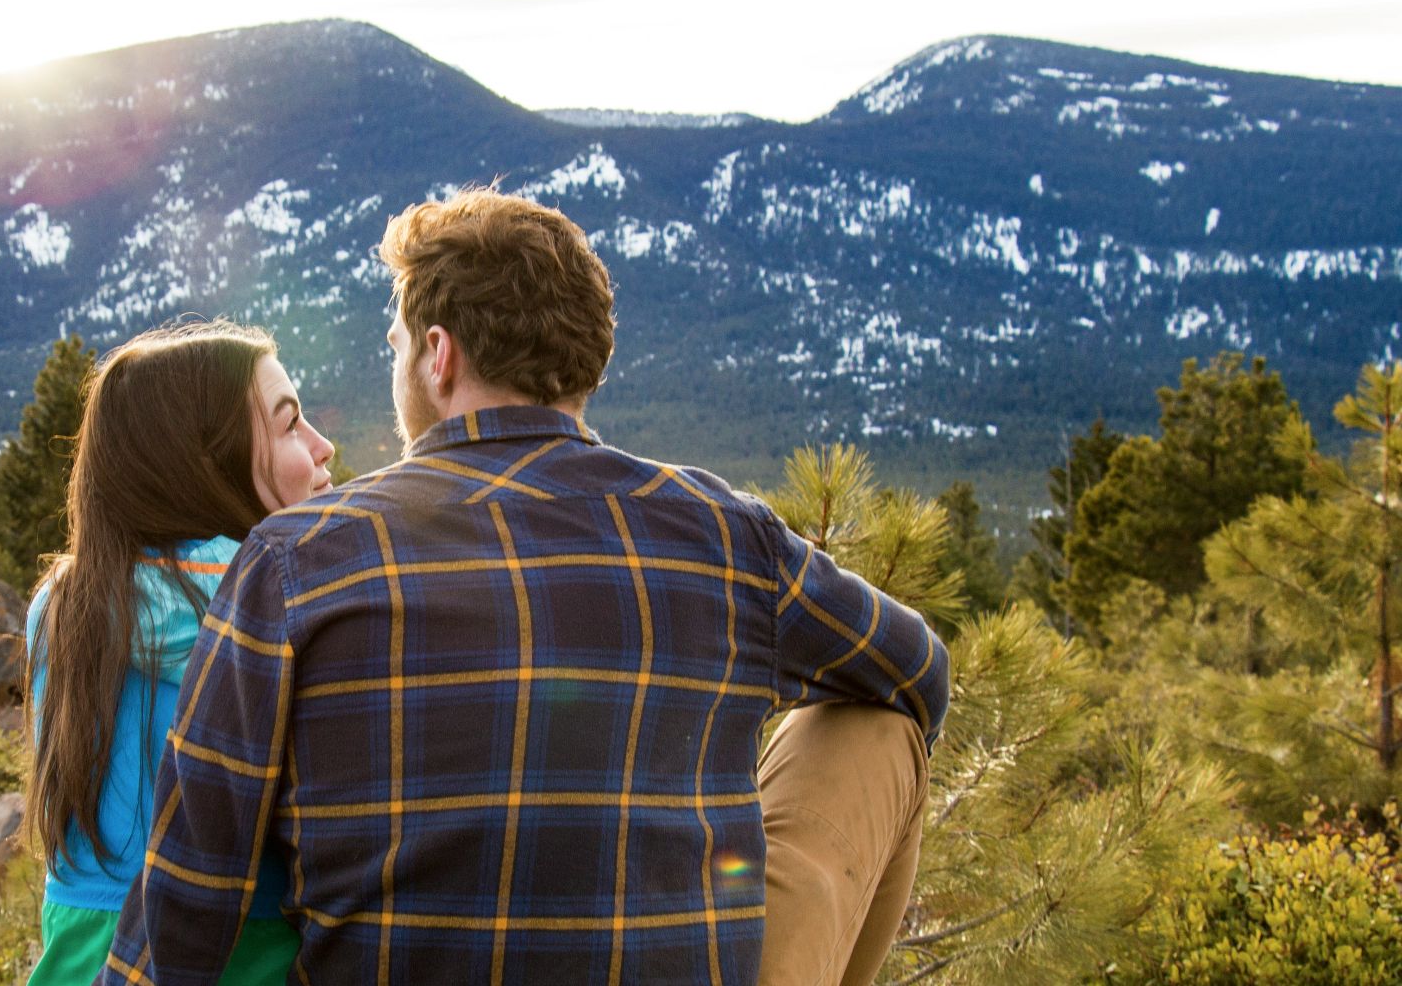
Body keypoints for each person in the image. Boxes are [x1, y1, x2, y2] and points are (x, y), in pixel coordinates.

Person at [100, 190, 952, 986]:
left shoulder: (295, 559)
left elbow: (187, 896)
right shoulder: (726, 533)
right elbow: (918, 671)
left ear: (438, 356)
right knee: (882, 721)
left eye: (395, 348)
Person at [23, 319, 334, 986]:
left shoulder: (62, 606)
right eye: (289, 426)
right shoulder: (289, 602)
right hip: (242, 955)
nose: (323, 446)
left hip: (78, 954)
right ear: (209, 463)